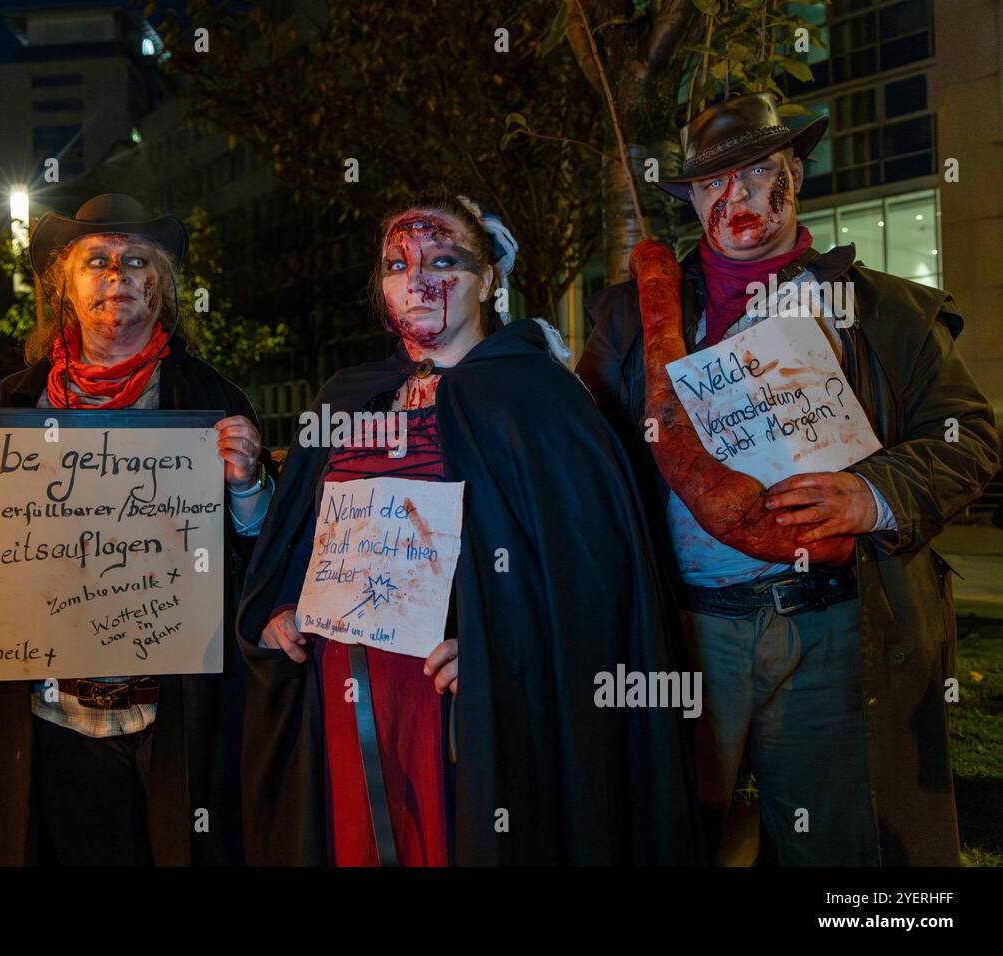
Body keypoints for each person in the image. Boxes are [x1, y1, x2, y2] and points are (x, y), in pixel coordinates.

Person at [578, 92, 1001, 865]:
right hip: (683, 632)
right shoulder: (629, 318)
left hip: (833, 622)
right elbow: (580, 457)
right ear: (694, 197)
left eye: (756, 173)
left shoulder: (884, 311)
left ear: (795, 175)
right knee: (665, 832)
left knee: (835, 844)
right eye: (713, 183)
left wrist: (873, 494)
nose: (734, 197)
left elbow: (969, 436)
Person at [237, 189, 701, 866]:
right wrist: (282, 605)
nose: (417, 280)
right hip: (349, 691)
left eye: (444, 259)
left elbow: (597, 582)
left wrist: (500, 647)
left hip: (474, 708)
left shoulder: (539, 400)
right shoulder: (349, 393)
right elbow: (300, 537)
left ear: (488, 279)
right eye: (397, 264)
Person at [0, 193, 271, 866]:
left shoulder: (210, 401)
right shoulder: (8, 406)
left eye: (136, 260)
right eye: (96, 261)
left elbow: (262, 557)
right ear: (65, 286)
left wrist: (248, 488)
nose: (117, 276)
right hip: (47, 717)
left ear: (163, 285)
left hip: (175, 713)